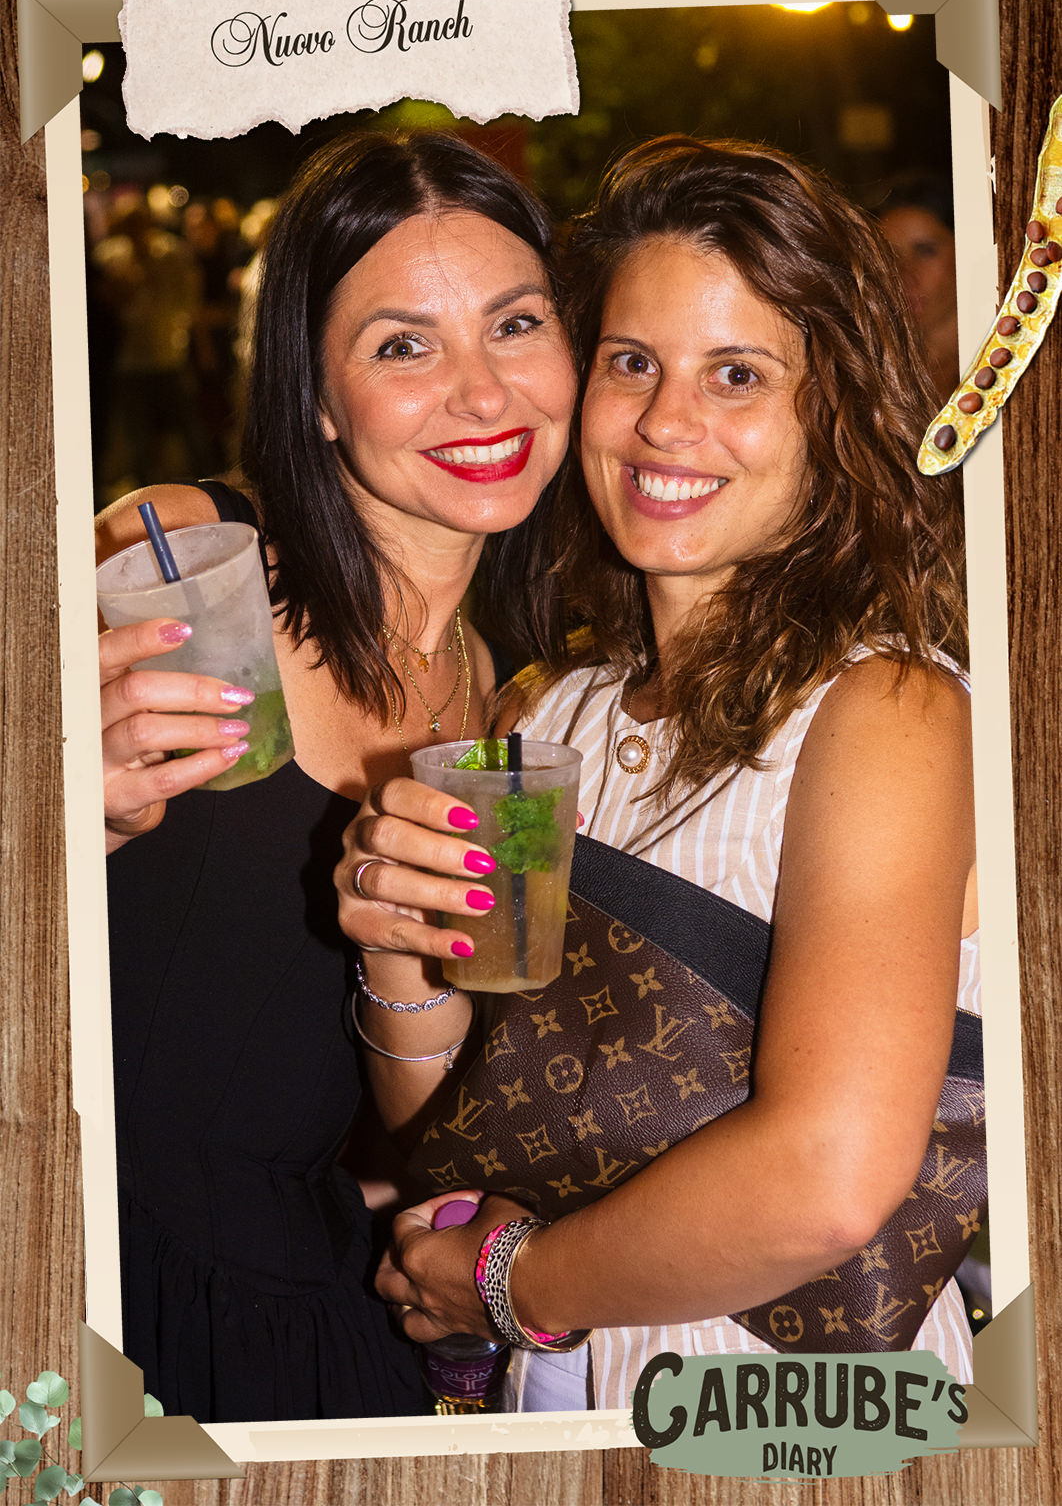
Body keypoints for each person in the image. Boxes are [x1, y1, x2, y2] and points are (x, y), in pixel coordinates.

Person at [336, 136, 980, 1412]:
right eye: (632, 362)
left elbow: (829, 1174)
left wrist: (512, 1281)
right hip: (560, 1393)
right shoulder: (549, 712)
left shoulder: (883, 710)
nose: (666, 421)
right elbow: (460, 1120)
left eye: (738, 374)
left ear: (836, 410)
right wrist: (397, 950)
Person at [96, 129, 576, 1422]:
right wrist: (63, 800)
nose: (482, 393)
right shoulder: (187, 563)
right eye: (403, 346)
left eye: (515, 324)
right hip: (96, 1272)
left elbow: (421, 1101)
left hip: (305, 1305)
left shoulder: (512, 699)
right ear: (314, 396)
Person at [876, 174, 960, 405]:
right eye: (889, 255)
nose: (903, 272)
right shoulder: (870, 378)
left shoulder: (1005, 360)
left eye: (925, 251)